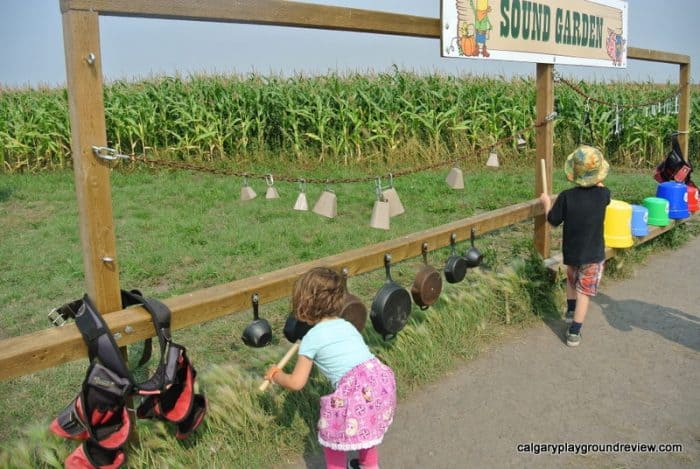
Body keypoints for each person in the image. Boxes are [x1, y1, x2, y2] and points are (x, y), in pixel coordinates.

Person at [265, 267, 396, 469]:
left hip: (356, 393)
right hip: (379, 383)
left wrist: (277, 375)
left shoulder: (311, 339)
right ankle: (369, 466)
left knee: (333, 438)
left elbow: (296, 382)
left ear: (303, 306)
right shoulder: (346, 325)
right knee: (367, 428)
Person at [539, 145, 611, 347]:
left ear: (573, 173)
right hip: (593, 255)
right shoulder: (604, 195)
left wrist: (546, 203)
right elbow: (603, 189)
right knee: (584, 293)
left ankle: (570, 311)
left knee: (571, 282)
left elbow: (553, 220)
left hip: (571, 252)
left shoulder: (565, 197)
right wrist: (597, 180)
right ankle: (574, 332)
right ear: (598, 176)